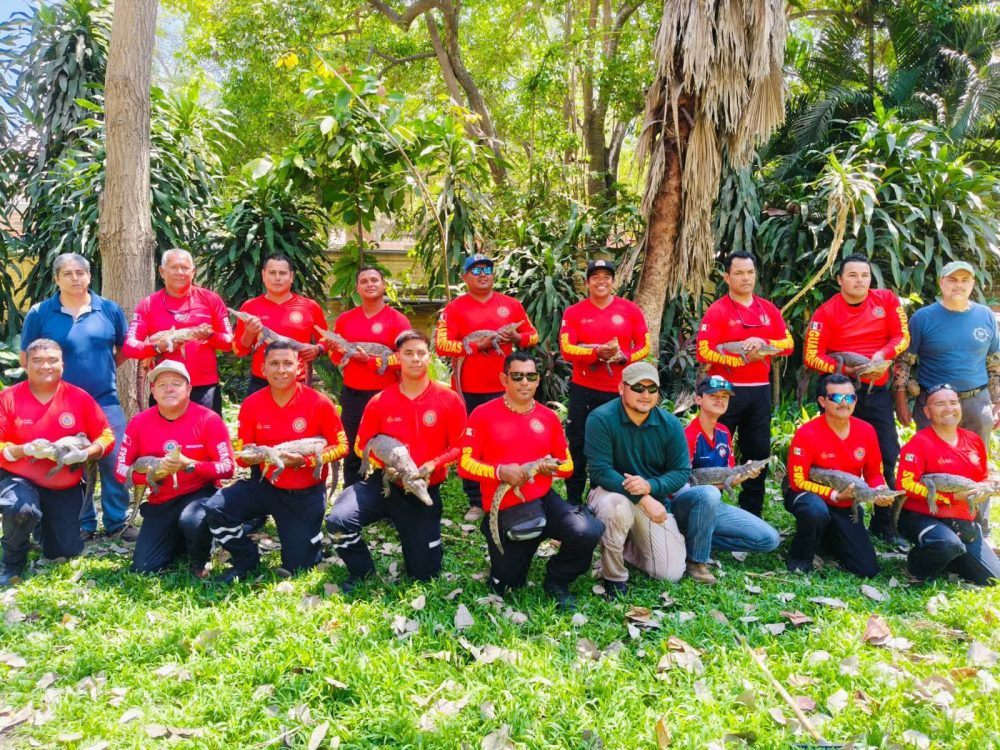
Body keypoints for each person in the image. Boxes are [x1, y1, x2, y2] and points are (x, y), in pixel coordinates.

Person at [458, 352, 604, 609]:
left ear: (538, 380)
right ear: (504, 379)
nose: (524, 382)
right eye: (517, 376)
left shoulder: (548, 417)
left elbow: (567, 465)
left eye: (531, 376)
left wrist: (550, 469)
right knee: (507, 585)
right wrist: (500, 471)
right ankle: (498, 534)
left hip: (543, 498)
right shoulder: (482, 414)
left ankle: (557, 579)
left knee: (587, 531)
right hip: (506, 506)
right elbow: (465, 464)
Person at [326, 330, 466, 591]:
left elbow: (460, 446)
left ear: (429, 357)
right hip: (383, 484)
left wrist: (433, 464)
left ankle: (423, 546)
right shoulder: (380, 401)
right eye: (408, 353)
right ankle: (362, 571)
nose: (415, 359)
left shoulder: (449, 399)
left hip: (424, 488)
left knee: (425, 574)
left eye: (421, 353)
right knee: (338, 521)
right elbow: (361, 445)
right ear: (397, 358)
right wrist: (385, 465)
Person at [206, 342, 349, 583]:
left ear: (299, 367)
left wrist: (305, 461)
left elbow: (342, 446)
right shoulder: (251, 404)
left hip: (304, 493)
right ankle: (246, 559)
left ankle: (306, 543)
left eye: (287, 363)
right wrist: (253, 456)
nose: (281, 370)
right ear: (263, 368)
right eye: (274, 363)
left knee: (300, 567)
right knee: (215, 508)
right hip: (266, 486)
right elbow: (243, 453)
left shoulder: (319, 401)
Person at [20, 253, 133, 541]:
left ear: (89, 276)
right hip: (60, 405)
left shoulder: (108, 309)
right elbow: (26, 358)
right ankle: (83, 523)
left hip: (105, 399)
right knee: (70, 463)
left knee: (115, 460)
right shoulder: (41, 313)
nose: (75, 278)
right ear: (57, 279)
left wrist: (102, 369)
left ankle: (117, 521)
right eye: (68, 274)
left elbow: (123, 350)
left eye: (80, 272)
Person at [585, 362, 720, 596]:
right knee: (617, 507)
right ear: (622, 388)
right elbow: (600, 471)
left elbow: (681, 471)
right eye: (638, 388)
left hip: (652, 499)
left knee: (670, 572)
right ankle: (614, 578)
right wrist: (643, 498)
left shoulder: (669, 424)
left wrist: (650, 485)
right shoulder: (601, 418)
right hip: (610, 492)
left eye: (652, 389)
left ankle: (625, 545)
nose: (645, 395)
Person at [803, 253, 910, 544]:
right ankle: (832, 521)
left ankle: (884, 523)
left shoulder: (886, 300)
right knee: (832, 458)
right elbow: (812, 356)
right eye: (852, 275)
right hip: (839, 391)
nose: (859, 280)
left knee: (887, 453)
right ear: (840, 280)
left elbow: (902, 337)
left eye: (864, 275)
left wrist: (881, 356)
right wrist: (847, 371)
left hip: (877, 391)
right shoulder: (826, 312)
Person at [0, 339, 114, 586]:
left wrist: (85, 454)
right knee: (21, 509)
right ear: (25, 364)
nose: (45, 366)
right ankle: (11, 563)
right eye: (38, 361)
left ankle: (40, 527)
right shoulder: (8, 398)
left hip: (62, 484)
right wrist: (23, 450)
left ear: (63, 364)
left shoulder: (79, 397)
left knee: (65, 550)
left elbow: (106, 436)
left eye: (52, 360)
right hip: (19, 478)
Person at [896, 260, 999, 532]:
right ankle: (933, 523)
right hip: (933, 404)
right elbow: (904, 362)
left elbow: (994, 363)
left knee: (977, 466)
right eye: (952, 280)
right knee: (930, 466)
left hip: (976, 401)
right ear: (942, 283)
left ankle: (978, 527)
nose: (959, 285)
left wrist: (997, 401)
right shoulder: (923, 318)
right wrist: (901, 402)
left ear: (973, 284)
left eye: (965, 280)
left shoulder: (985, 316)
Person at [435, 254, 538, 522]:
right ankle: (476, 500)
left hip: (508, 387)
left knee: (509, 439)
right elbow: (442, 345)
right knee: (471, 443)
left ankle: (510, 493)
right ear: (465, 277)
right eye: (476, 270)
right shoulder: (455, 309)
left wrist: (517, 337)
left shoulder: (511, 305)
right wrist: (474, 346)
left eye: (488, 270)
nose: (483, 274)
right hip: (468, 389)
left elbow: (533, 335)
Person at [696, 250, 793, 517]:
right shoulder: (718, 310)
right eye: (739, 273)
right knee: (715, 453)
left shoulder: (768, 309)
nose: (745, 278)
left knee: (757, 452)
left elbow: (788, 344)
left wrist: (764, 343)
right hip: (723, 391)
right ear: (727, 277)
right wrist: (739, 360)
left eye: (750, 272)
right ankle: (710, 512)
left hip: (759, 391)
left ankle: (752, 514)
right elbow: (703, 351)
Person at [115, 361, 234, 576]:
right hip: (162, 499)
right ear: (153, 391)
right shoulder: (139, 423)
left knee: (192, 521)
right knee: (144, 568)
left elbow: (227, 467)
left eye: (176, 384)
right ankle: (178, 539)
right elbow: (120, 469)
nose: (169, 389)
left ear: (188, 389)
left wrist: (191, 465)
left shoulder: (208, 419)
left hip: (199, 494)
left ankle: (201, 557)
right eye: (162, 385)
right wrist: (152, 476)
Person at [784, 374, 893, 578]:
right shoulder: (807, 433)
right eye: (836, 398)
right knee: (815, 511)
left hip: (846, 501)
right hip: (808, 493)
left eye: (850, 397)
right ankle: (801, 557)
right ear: (822, 401)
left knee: (866, 569)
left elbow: (874, 474)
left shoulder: (866, 430)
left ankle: (827, 536)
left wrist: (880, 489)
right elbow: (797, 482)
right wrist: (834, 495)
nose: (844, 403)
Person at [560, 259, 650, 505]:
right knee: (578, 443)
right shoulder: (574, 312)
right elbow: (566, 349)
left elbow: (644, 346)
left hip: (618, 391)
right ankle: (574, 501)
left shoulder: (630, 310)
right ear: (587, 282)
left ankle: (606, 498)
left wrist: (624, 356)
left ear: (613, 281)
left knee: (616, 445)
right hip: (583, 389)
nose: (601, 281)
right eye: (595, 277)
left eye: (606, 277)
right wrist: (595, 353)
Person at [896, 384, 999, 585]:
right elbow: (905, 484)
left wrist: (986, 489)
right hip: (923, 516)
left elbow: (983, 478)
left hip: (961, 519)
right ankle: (917, 563)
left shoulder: (974, 440)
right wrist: (949, 497)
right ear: (927, 412)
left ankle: (951, 555)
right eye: (940, 404)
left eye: (953, 403)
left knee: (992, 579)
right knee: (946, 545)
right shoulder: (919, 442)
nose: (949, 408)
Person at [123, 248, 233, 415]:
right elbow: (129, 346)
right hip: (165, 389)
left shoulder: (211, 299)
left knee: (207, 432)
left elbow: (229, 343)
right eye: (174, 267)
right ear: (162, 271)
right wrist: (157, 347)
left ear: (193, 272)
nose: (180, 272)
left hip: (204, 389)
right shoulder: (148, 304)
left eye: (185, 268)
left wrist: (210, 336)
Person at [330, 266, 411, 486]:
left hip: (387, 395)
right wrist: (339, 352)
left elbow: (406, 357)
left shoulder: (398, 320)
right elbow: (335, 355)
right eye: (364, 281)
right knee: (352, 448)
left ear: (383, 285)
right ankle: (352, 492)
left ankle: (389, 493)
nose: (370, 284)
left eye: (374, 280)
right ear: (357, 288)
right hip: (353, 394)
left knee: (390, 448)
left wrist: (370, 360)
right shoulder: (345, 320)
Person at [684, 375, 781, 557]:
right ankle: (695, 548)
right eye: (713, 395)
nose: (720, 400)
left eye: (725, 396)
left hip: (714, 505)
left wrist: (743, 477)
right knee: (709, 495)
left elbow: (730, 474)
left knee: (770, 539)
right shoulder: (688, 435)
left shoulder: (724, 432)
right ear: (698, 400)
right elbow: (681, 485)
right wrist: (727, 484)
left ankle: (696, 537)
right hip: (690, 506)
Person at [231, 253, 330, 397]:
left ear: (291, 276)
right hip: (261, 383)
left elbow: (327, 338)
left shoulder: (310, 307)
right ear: (263, 275)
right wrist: (249, 333)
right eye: (272, 273)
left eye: (283, 273)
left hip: (298, 382)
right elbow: (239, 350)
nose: (277, 278)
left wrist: (318, 348)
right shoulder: (250, 307)